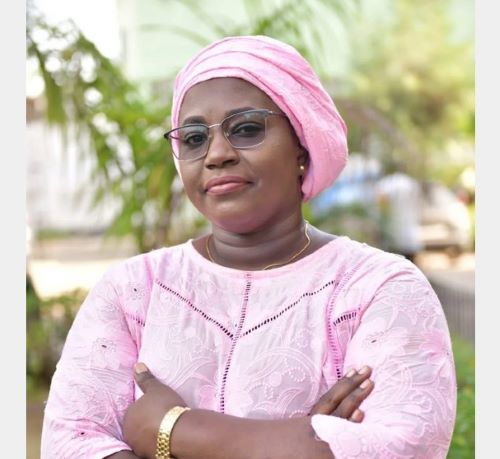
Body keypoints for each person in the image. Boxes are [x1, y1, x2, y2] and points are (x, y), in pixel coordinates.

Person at [41, 35, 456, 458]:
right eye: (194, 138)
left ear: (302, 145)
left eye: (246, 129)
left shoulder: (376, 288)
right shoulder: (134, 290)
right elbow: (71, 441)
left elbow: (402, 446)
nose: (216, 154)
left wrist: (172, 429)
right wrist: (298, 440)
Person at [375, 167, 424, 263]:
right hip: (410, 222)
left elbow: (381, 202)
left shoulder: (387, 184)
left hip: (394, 225)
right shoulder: (411, 183)